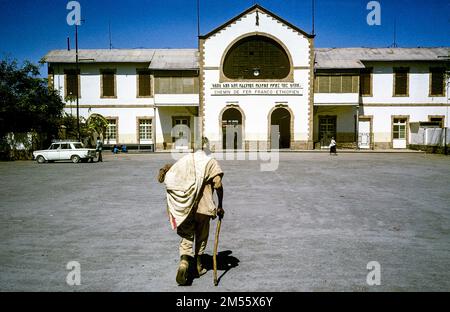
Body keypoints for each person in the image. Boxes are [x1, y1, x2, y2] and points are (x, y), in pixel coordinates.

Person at [158, 138, 224, 286]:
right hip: (203, 208)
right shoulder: (210, 162)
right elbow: (218, 184)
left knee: (186, 236)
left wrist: (165, 169)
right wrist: (220, 205)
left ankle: (184, 262)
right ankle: (199, 266)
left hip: (185, 207)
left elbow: (171, 172)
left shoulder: (184, 160)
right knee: (201, 236)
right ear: (207, 149)